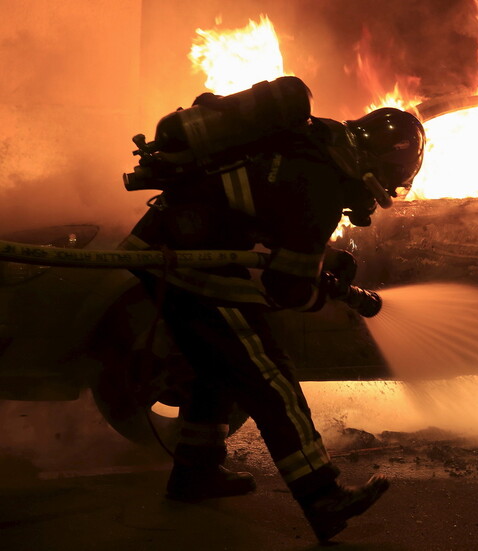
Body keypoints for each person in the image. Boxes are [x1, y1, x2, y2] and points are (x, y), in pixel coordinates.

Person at [118, 79, 426, 543]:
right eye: (389, 180)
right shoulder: (323, 184)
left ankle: (195, 473)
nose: (383, 191)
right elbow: (288, 290)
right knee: (270, 378)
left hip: (171, 245)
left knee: (216, 371)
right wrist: (328, 293)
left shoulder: (314, 143)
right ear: (378, 165)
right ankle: (322, 495)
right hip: (190, 262)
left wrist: (321, 263)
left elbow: (272, 217)